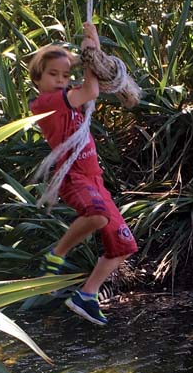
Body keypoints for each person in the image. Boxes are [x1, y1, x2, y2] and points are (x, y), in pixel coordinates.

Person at [28, 21, 137, 326]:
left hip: (95, 180)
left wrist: (93, 45)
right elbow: (91, 89)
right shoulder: (46, 103)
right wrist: (89, 53)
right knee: (97, 216)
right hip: (73, 176)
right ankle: (56, 254)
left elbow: (91, 79)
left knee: (124, 245)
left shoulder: (69, 99)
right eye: (53, 74)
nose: (61, 80)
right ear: (37, 79)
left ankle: (87, 295)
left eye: (65, 75)